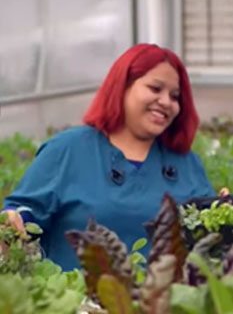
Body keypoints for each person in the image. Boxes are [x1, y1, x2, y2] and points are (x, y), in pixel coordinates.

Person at [2, 44, 215, 270]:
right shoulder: (67, 150)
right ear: (122, 86)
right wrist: (13, 222)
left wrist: (229, 218)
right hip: (77, 302)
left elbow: (209, 247)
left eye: (175, 97)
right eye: (155, 88)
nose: (166, 102)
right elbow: (22, 216)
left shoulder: (186, 163)